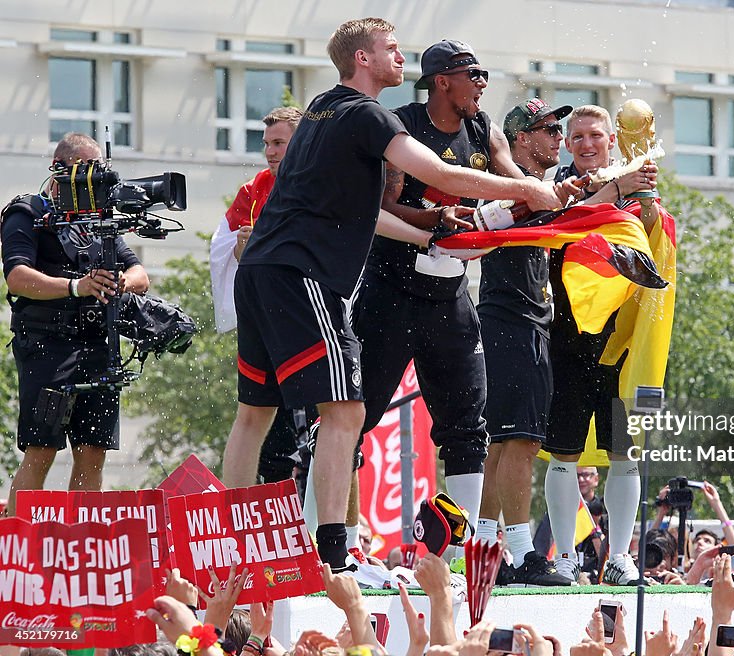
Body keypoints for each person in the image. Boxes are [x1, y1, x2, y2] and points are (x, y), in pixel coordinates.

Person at [220, 17, 564, 571]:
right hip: (302, 275)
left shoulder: (319, 111)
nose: (402, 56)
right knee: (346, 412)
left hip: (261, 270)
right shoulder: (367, 114)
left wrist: (430, 230)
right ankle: (333, 553)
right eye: (391, 48)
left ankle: (226, 549)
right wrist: (527, 187)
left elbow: (374, 216)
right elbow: (443, 174)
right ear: (362, 58)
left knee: (254, 414)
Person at [353, 39, 528, 545]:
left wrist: (549, 197)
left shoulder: (482, 127)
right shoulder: (403, 126)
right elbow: (383, 206)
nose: (483, 85)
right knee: (354, 419)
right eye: (475, 74)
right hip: (390, 291)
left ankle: (458, 547)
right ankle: (336, 544)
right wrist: (436, 221)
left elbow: (516, 185)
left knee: (467, 425)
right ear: (442, 81)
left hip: (450, 295)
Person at [1, 132, 150, 515]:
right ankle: (15, 547)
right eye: (89, 171)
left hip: (100, 345)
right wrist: (76, 286)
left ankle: (83, 548)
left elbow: (140, 274)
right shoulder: (28, 213)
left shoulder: (97, 220)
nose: (98, 180)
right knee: (42, 450)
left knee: (92, 453)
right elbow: (17, 277)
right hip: (47, 346)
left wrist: (119, 283)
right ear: (60, 169)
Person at [541, 105, 657, 585]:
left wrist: (646, 191)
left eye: (596, 135)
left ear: (611, 140)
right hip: (565, 337)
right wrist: (622, 187)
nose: (587, 144)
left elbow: (653, 232)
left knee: (624, 451)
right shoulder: (556, 187)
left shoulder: (634, 186)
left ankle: (620, 557)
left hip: (622, 340)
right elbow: (565, 223)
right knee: (563, 450)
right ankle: (565, 557)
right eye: (578, 137)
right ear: (568, 145)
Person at [476, 98, 574, 586]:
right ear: (520, 140)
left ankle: (484, 547)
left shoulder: (535, 192)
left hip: (522, 321)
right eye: (548, 128)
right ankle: (519, 555)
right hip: (511, 321)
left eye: (560, 128)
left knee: (505, 441)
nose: (559, 136)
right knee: (521, 439)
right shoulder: (515, 195)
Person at [209, 106, 317, 486]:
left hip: (308, 317)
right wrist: (245, 250)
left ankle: (335, 538)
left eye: (279, 143)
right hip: (264, 315)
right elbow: (228, 253)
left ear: (301, 142)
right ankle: (236, 519)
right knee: (255, 418)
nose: (270, 152)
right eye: (266, 143)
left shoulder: (318, 182)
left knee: (330, 425)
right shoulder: (254, 189)